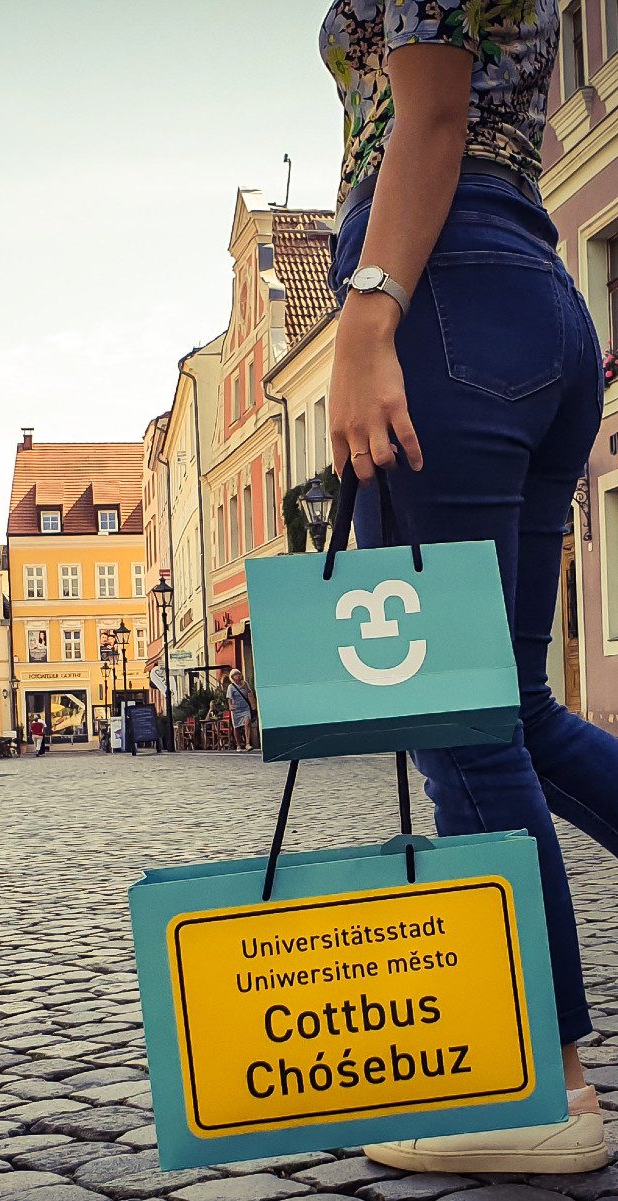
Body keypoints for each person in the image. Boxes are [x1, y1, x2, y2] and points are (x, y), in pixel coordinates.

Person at [320, 0, 616, 1174]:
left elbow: (429, 113)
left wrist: (364, 316)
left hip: (438, 294)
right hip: (529, 293)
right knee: (516, 709)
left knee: (456, 716)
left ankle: (541, 1083)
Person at [225, 669, 254, 753]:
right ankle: (238, 744)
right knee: (237, 728)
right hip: (236, 710)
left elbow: (250, 692)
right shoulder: (231, 687)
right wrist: (230, 705)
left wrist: (246, 688)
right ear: (232, 677)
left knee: (247, 723)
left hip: (245, 708)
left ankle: (247, 744)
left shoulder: (245, 683)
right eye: (236, 674)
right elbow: (229, 698)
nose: (238, 676)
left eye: (239, 674)